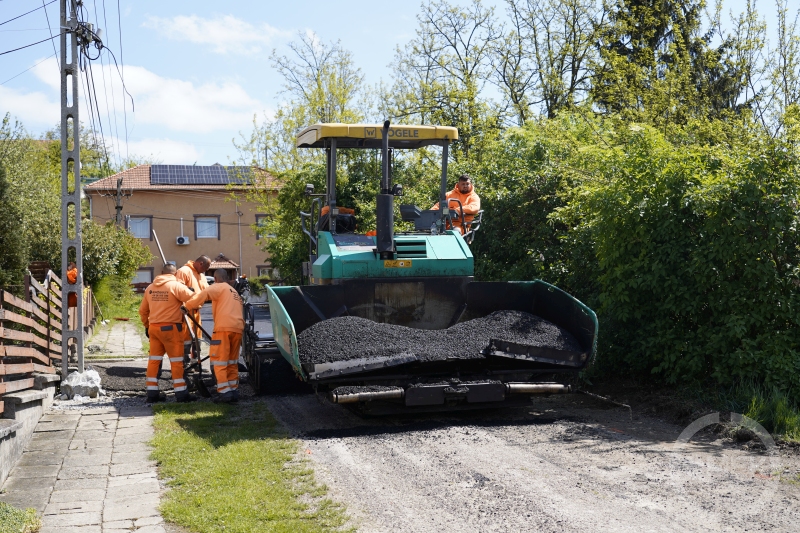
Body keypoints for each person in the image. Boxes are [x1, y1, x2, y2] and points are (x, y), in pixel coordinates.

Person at [184, 269, 244, 403]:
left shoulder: (219, 287)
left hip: (223, 328)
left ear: (215, 279)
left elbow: (202, 295)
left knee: (219, 360)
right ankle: (233, 390)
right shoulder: (233, 292)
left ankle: (224, 392)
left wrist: (186, 306)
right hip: (237, 328)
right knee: (232, 361)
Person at [139, 263, 196, 403]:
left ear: (161, 272)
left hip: (154, 328)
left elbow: (143, 311)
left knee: (154, 360)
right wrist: (189, 290)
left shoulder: (150, 288)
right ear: (175, 274)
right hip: (171, 328)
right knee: (176, 362)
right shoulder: (176, 286)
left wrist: (147, 326)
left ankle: (152, 393)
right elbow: (193, 298)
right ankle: (181, 394)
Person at [176, 256, 211, 361]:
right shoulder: (184, 271)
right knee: (186, 339)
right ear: (200, 263)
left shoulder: (201, 275)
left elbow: (207, 291)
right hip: (186, 312)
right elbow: (177, 289)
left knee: (197, 339)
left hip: (196, 312)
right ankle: (183, 362)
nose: (206, 271)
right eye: (206, 268)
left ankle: (196, 362)